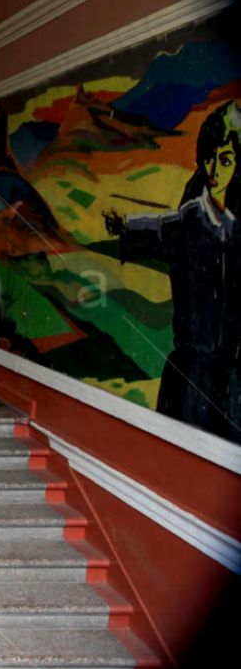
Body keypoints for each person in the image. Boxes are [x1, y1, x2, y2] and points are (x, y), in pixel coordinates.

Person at [103, 100, 240, 440]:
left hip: (233, 374)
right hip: (193, 369)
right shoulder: (191, 218)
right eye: (209, 158)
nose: (214, 171)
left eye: (225, 160)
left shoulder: (237, 228)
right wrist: (125, 227)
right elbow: (158, 228)